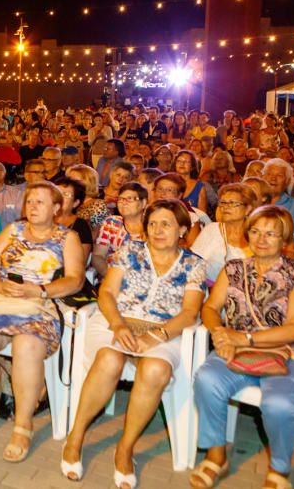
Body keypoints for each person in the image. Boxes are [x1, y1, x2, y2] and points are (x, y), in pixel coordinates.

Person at [61, 199, 207, 488]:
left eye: (165, 224)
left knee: (156, 370)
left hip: (164, 329)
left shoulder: (194, 264)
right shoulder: (130, 251)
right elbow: (106, 294)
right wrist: (118, 324)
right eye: (152, 223)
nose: (156, 229)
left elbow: (190, 312)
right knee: (109, 359)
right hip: (115, 320)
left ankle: (125, 448)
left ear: (181, 230)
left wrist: (159, 335)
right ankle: (75, 436)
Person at [190, 206, 294, 489]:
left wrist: (243, 339)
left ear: (285, 240)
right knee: (207, 379)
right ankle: (216, 455)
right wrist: (220, 335)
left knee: (278, 403)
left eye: (271, 234)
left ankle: (279, 468)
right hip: (240, 348)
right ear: (247, 235)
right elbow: (211, 307)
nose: (262, 239)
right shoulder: (234, 269)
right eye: (255, 232)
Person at [0, 182, 85, 463]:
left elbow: (75, 280)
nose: (32, 207)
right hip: (3, 302)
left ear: (57, 208)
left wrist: (40, 290)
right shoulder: (13, 230)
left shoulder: (66, 237)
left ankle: (23, 425)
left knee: (26, 345)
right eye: (30, 202)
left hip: (41, 306)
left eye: (40, 202)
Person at [191, 183, 256, 285]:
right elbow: (192, 264)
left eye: (232, 203)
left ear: (248, 209)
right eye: (223, 203)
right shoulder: (212, 230)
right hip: (208, 290)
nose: (226, 207)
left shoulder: (257, 235)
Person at [92, 182, 148, 277]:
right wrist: (111, 278)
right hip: (112, 276)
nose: (124, 202)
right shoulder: (111, 223)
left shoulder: (152, 227)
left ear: (143, 203)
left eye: (130, 199)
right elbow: (98, 256)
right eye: (121, 199)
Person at [262, 158, 294, 245]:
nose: (273, 178)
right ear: (262, 177)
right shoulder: (254, 202)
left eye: (279, 175)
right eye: (269, 174)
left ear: (287, 182)